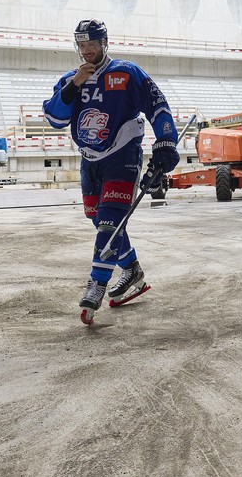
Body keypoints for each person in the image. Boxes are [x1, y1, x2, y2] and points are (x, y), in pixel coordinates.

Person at [44, 19, 180, 325]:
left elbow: (158, 104)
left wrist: (166, 143)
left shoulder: (127, 72)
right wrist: (73, 86)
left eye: (92, 44)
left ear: (104, 44)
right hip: (90, 161)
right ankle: (132, 270)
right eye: (82, 45)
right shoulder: (71, 79)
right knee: (97, 218)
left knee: (109, 222)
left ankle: (96, 283)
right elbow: (54, 117)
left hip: (123, 155)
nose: (87, 50)